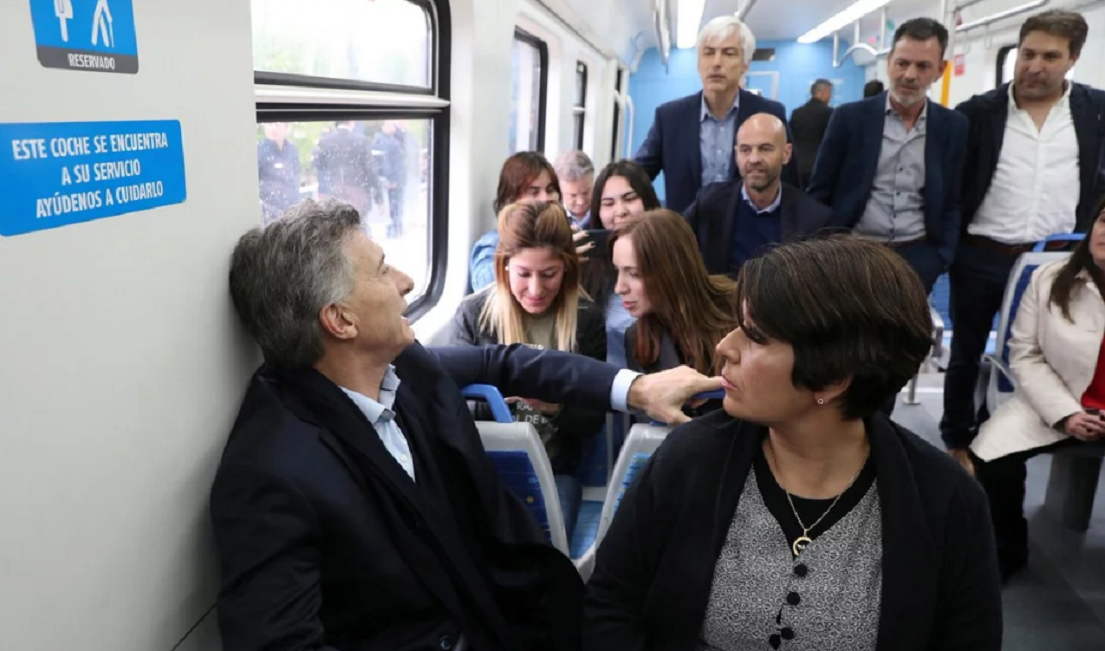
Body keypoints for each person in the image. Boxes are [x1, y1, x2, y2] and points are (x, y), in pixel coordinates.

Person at [212, 198, 721, 651]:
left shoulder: (404, 366)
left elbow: (507, 363)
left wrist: (636, 388)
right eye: (383, 270)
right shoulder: (271, 475)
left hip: (504, 607)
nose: (407, 282)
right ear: (341, 320)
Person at [584, 235, 1001, 651]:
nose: (725, 347)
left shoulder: (946, 502)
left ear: (833, 377)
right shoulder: (688, 459)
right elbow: (610, 606)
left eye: (756, 336)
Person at [942, 10, 1105, 464]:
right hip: (983, 254)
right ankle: (959, 441)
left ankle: (1049, 431)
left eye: (1050, 56)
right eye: (1027, 54)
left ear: (1073, 59)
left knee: (1052, 354)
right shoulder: (977, 114)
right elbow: (956, 186)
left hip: (1059, 262)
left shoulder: (1095, 111)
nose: (1034, 66)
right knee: (967, 352)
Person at [450, 201, 607, 538]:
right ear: (504, 267)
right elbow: (453, 408)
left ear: (566, 268)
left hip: (556, 470)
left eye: (549, 274)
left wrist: (555, 407)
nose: (536, 290)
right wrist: (503, 397)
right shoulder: (473, 315)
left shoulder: (586, 320)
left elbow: (593, 419)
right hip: (484, 466)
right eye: (523, 274)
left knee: (549, 544)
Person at [970, 198, 1105, 582]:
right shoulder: (1050, 277)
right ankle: (1007, 550)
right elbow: (1025, 355)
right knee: (992, 455)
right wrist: (1066, 413)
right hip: (1053, 402)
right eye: (1103, 220)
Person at [808, 18, 968, 296]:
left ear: (940, 70)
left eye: (923, 66)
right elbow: (820, 191)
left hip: (918, 256)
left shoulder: (953, 126)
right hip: (853, 251)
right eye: (902, 63)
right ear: (889, 61)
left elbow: (952, 200)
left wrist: (941, 256)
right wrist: (825, 247)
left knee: (904, 336)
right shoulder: (849, 119)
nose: (909, 74)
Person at [634, 15, 799, 214]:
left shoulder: (769, 114)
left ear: (745, 64)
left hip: (750, 233)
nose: (716, 63)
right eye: (708, 53)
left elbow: (791, 185)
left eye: (729, 53)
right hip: (685, 234)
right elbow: (636, 177)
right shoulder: (670, 118)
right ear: (698, 63)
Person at [612, 210, 739, 419]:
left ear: (670, 269)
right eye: (617, 271)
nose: (619, 287)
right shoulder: (636, 338)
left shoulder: (739, 309)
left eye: (633, 274)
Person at [684, 113, 831, 276]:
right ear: (736, 155)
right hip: (722, 299)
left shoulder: (813, 218)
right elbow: (672, 242)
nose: (754, 159)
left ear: (786, 154)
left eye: (765, 149)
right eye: (745, 150)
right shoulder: (709, 202)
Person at [580, 160, 662, 367]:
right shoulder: (587, 268)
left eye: (630, 198)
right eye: (608, 203)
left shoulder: (669, 258)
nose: (620, 211)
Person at [468, 152, 584, 292]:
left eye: (550, 189)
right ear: (511, 199)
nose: (545, 198)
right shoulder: (493, 242)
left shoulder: (566, 234)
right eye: (533, 192)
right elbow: (483, 286)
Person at [315, 120, 378, 220]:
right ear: (352, 122)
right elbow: (371, 170)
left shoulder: (325, 141)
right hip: (358, 196)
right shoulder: (361, 141)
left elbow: (319, 166)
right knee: (359, 227)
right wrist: (379, 197)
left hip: (335, 195)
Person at [790, 79, 833, 190]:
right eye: (829, 93)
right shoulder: (830, 114)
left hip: (797, 166)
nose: (830, 97)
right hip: (819, 167)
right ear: (821, 93)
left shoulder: (797, 113)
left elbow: (789, 137)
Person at [257, 122, 301, 226]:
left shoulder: (292, 149)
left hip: (291, 211)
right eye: (270, 124)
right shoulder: (259, 151)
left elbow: (296, 178)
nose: (273, 129)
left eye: (277, 125)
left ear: (286, 127)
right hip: (269, 214)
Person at [554, 150, 595, 228]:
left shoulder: (606, 210)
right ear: (559, 190)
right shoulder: (550, 218)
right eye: (573, 195)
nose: (581, 202)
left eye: (586, 192)